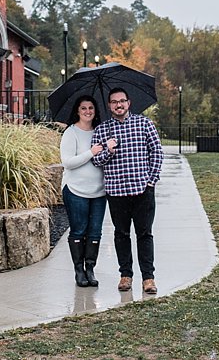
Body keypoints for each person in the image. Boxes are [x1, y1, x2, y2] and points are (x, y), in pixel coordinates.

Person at [91, 87, 164, 294]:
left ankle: (148, 278)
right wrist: (108, 151)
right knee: (121, 234)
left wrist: (151, 181)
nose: (118, 105)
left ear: (128, 103)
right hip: (116, 192)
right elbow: (96, 160)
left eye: (122, 101)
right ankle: (126, 275)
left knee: (144, 234)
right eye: (114, 102)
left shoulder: (144, 124)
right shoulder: (102, 130)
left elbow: (156, 152)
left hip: (142, 190)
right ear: (109, 105)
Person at [59, 96, 107, 288]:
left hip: (99, 192)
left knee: (95, 232)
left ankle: (90, 269)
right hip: (75, 190)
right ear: (77, 111)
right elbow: (67, 162)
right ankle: (79, 271)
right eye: (83, 108)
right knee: (79, 230)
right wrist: (91, 152)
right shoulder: (71, 133)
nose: (88, 111)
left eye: (91, 108)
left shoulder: (101, 132)